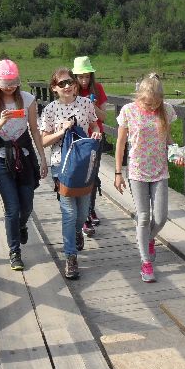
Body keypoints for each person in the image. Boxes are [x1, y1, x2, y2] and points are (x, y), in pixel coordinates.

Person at [114, 74, 185, 283]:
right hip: (137, 171)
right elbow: (120, 143)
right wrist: (118, 173)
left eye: (155, 102)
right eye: (147, 102)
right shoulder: (128, 111)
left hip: (159, 170)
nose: (151, 106)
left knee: (161, 218)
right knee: (143, 217)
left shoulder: (166, 110)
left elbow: (167, 138)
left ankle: (149, 239)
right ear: (139, 96)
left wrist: (177, 154)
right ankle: (145, 263)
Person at [0, 59, 48, 271]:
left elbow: (35, 130)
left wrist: (42, 157)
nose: (10, 87)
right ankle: (14, 252)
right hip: (1, 158)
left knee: (26, 204)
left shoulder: (28, 100)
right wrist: (2, 120)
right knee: (12, 207)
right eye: (6, 83)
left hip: (24, 156)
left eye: (14, 82)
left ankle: (21, 226)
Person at [39, 67, 101, 280]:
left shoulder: (85, 104)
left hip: (84, 165)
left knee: (83, 213)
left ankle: (76, 233)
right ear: (54, 88)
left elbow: (94, 124)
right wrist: (62, 130)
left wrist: (96, 132)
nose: (67, 86)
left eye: (70, 82)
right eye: (62, 83)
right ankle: (70, 257)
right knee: (69, 213)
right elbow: (43, 141)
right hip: (61, 166)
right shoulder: (50, 110)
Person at [72, 56, 108, 238]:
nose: (84, 80)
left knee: (92, 175)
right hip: (78, 139)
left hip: (95, 138)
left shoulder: (98, 88)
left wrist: (93, 105)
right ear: (75, 77)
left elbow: (104, 117)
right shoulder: (71, 91)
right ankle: (84, 213)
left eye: (87, 76)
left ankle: (89, 210)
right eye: (80, 77)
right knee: (81, 176)